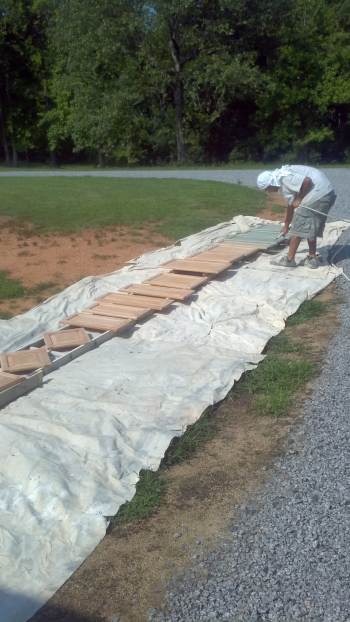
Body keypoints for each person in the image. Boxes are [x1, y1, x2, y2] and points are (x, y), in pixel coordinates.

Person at [257, 165, 336, 268]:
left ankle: (290, 260)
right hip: (325, 192)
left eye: (267, 189)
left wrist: (299, 198)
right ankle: (312, 258)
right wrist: (286, 225)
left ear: (271, 183)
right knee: (309, 225)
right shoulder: (282, 180)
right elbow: (291, 204)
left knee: (298, 225)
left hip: (319, 193)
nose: (268, 191)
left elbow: (306, 181)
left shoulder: (284, 178)